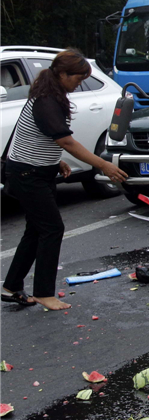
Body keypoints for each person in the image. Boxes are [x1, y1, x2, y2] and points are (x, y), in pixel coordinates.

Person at [2, 49, 128, 311]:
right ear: (61, 74)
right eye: (77, 78)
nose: (79, 83)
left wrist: (55, 160)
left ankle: (11, 286)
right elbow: (66, 140)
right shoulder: (47, 100)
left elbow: (39, 136)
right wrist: (103, 164)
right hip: (27, 174)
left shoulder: (50, 95)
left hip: (34, 170)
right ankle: (44, 293)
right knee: (52, 229)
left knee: (36, 229)